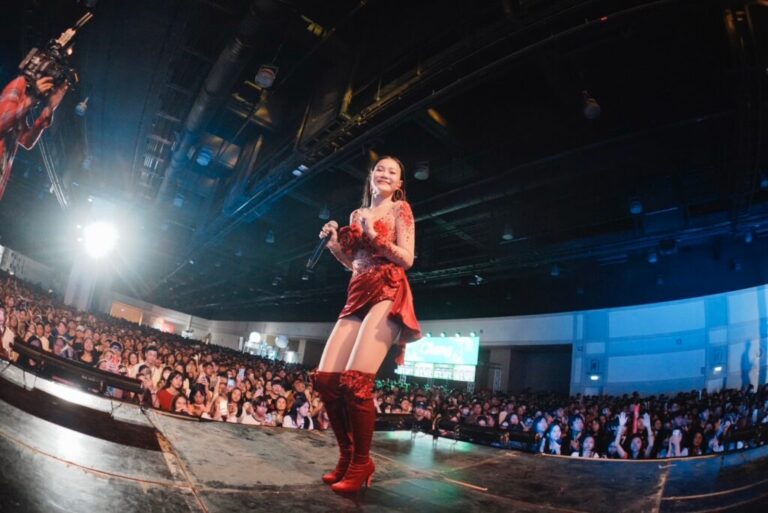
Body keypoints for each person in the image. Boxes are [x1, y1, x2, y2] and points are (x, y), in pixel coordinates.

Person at [313, 156, 421, 493]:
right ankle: (347, 456)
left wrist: (374, 235)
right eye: (380, 169)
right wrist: (334, 245)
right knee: (326, 380)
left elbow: (407, 258)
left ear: (399, 183)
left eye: (392, 171)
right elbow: (355, 262)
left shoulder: (401, 209)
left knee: (356, 381)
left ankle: (361, 462)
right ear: (371, 177)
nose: (385, 174)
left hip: (387, 288)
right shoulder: (356, 215)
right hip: (357, 290)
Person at [0, 76, 68, 200]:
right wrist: (33, 98)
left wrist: (49, 108)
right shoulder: (19, 84)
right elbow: (3, 123)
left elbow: (26, 141)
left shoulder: (22, 106)